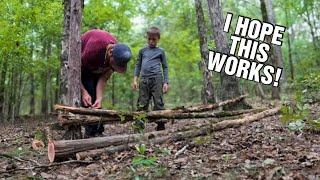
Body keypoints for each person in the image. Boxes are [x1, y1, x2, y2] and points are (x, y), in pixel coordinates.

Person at [81, 29, 132, 137]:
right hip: (83, 67)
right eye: (115, 66)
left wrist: (99, 99)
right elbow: (74, 73)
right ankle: (90, 133)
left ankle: (99, 131)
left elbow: (103, 79)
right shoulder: (93, 51)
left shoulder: (118, 55)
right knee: (89, 94)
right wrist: (83, 92)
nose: (115, 68)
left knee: (97, 102)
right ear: (110, 54)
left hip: (98, 67)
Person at [132, 26, 169, 130]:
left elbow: (165, 67)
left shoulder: (160, 51)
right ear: (147, 38)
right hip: (144, 79)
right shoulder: (142, 51)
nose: (151, 41)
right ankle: (139, 126)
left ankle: (160, 125)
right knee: (142, 103)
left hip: (157, 78)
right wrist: (135, 79)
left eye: (154, 39)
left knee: (158, 102)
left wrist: (166, 82)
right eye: (149, 39)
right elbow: (138, 65)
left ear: (158, 39)